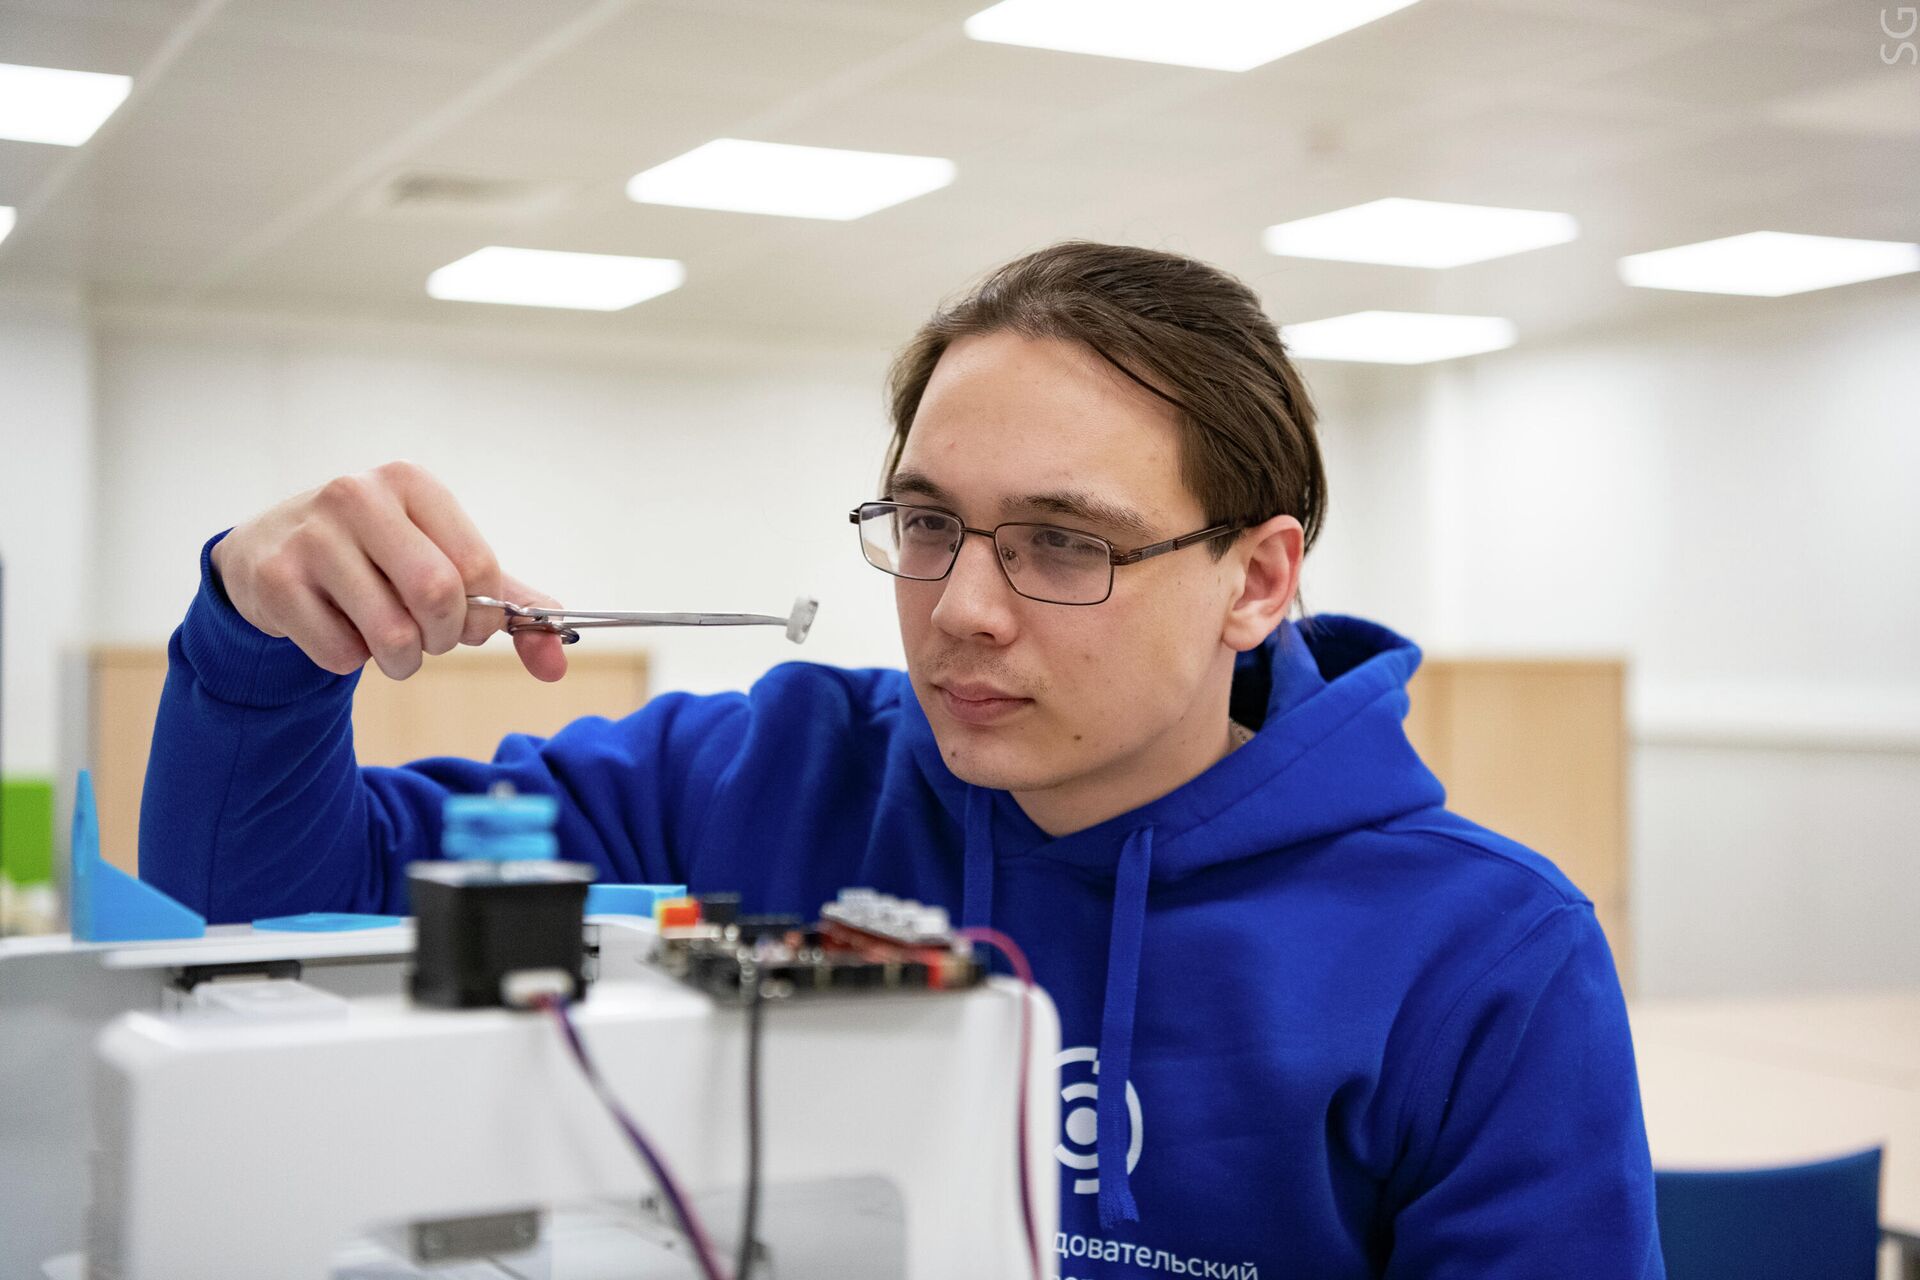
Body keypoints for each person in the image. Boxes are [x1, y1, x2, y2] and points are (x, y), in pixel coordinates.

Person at [143, 242, 1662, 1276]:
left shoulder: (1483, 954)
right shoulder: (748, 782)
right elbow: (261, 925)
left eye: (1063, 542)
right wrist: (260, 653)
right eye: (928, 525)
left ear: (1258, 581)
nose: (963, 609)